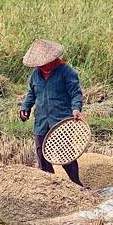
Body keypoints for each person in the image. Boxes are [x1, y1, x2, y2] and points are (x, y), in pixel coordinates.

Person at [18, 39, 85, 187]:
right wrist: (25, 108)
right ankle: (50, 186)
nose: (42, 66)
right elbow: (31, 93)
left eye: (44, 63)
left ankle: (76, 184)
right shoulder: (35, 74)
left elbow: (76, 94)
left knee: (65, 154)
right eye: (39, 65)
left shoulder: (66, 72)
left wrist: (76, 109)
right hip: (41, 120)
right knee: (42, 156)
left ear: (52, 59)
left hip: (61, 120)